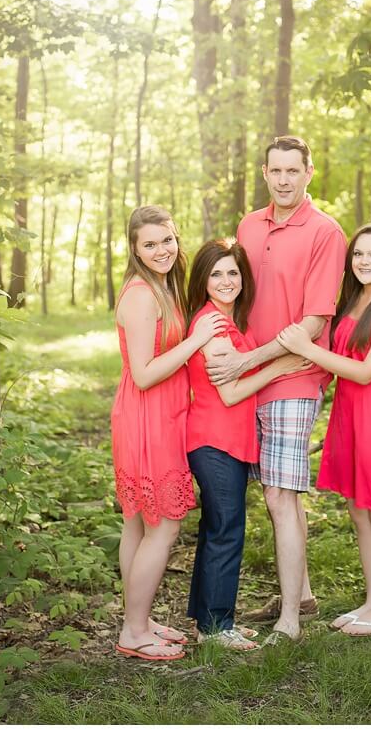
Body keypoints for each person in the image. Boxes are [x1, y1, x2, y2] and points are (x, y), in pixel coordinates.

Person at [208, 135, 347, 642]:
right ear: (265, 173)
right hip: (249, 376)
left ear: (309, 172)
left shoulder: (326, 233)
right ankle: (302, 593)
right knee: (278, 495)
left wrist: (250, 359)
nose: (284, 180)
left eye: (294, 170)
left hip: (294, 374)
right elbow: (231, 292)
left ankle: (290, 622)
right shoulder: (248, 224)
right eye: (276, 171)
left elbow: (312, 322)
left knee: (279, 494)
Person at [275, 222, 371, 636]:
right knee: (359, 510)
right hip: (350, 417)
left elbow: (365, 369)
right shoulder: (353, 302)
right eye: (358, 254)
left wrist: (305, 347)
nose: (365, 261)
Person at [181, 239, 314, 651]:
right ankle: (219, 626)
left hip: (229, 442)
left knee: (215, 530)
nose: (226, 280)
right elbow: (230, 393)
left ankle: (207, 622)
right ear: (202, 280)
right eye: (216, 273)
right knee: (227, 532)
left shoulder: (230, 320)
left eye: (233, 272)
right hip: (214, 440)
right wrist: (282, 366)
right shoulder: (214, 326)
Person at [110, 206, 225, 661]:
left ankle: (137, 620)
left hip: (160, 416)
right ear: (135, 249)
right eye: (150, 244)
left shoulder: (163, 287)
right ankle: (134, 631)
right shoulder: (141, 296)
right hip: (146, 418)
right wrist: (195, 341)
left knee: (139, 522)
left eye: (167, 241)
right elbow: (142, 374)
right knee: (163, 524)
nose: (161, 250)